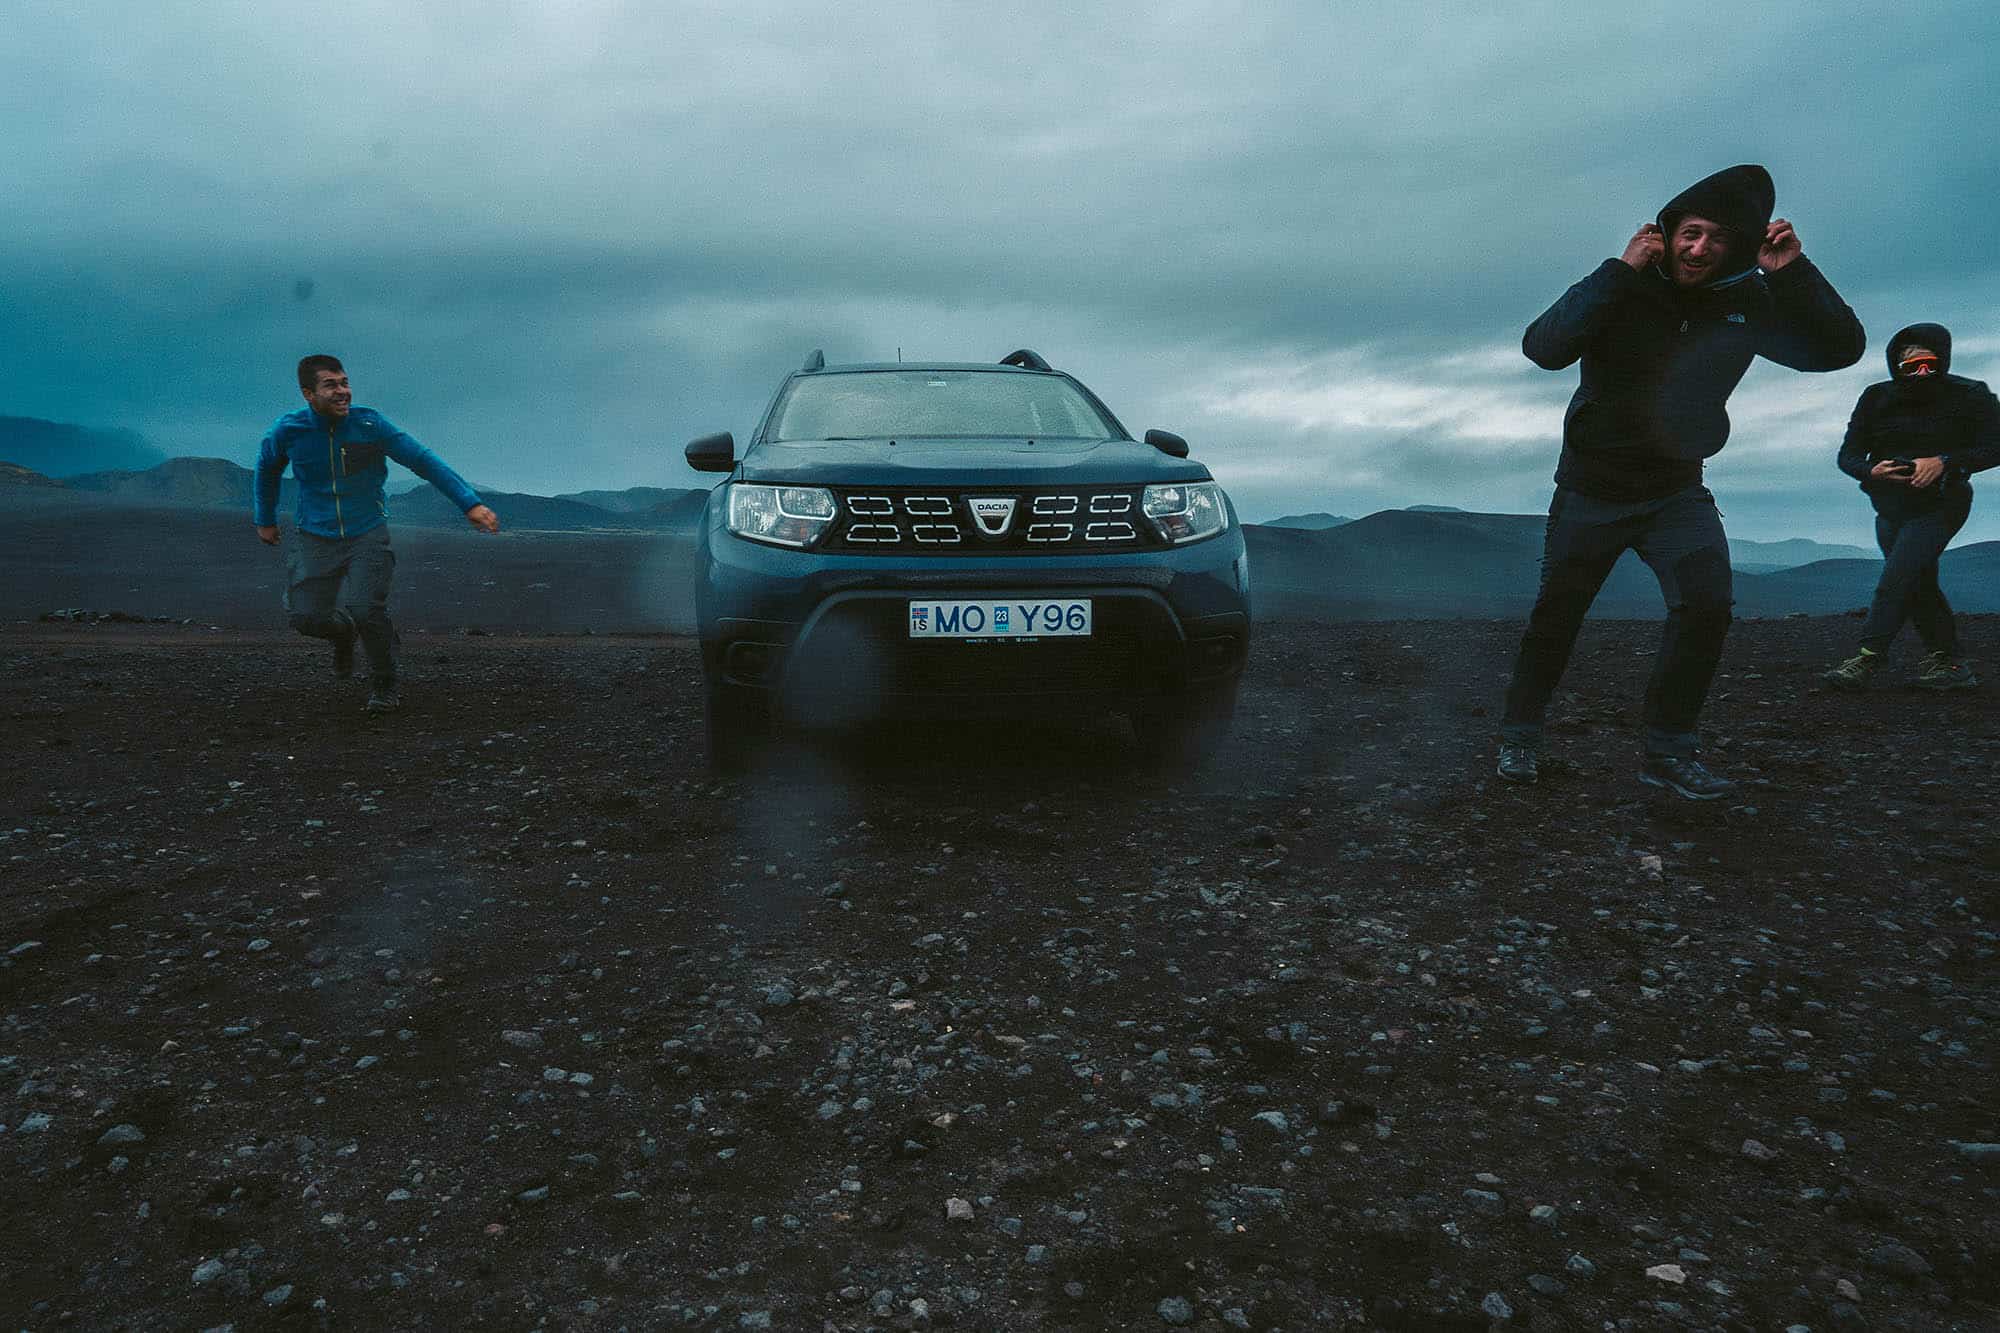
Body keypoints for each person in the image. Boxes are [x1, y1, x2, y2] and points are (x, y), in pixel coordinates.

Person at [1496, 164, 1865, 798]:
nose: (1699, 250)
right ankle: (1520, 738)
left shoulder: (1748, 302)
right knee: (1557, 618)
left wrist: (1794, 271)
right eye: (1689, 233)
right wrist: (1618, 269)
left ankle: (1668, 753)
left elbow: (1838, 349)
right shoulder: (1624, 289)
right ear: (1665, 234)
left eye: (1718, 239)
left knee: (1707, 608)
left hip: (1675, 491)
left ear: (1740, 248)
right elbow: (1543, 348)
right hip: (1591, 490)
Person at [253, 355, 500, 712]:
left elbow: (423, 460)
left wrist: (470, 504)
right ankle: (342, 633)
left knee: (367, 608)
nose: (343, 392)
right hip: (314, 535)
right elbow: (267, 471)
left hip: (366, 532)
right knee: (306, 617)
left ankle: (384, 684)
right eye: (331, 385)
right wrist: (265, 518)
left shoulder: (370, 424)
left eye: (345, 383)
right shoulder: (288, 431)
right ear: (309, 393)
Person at [1822, 322, 1998, 691]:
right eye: (1911, 365)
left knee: (1897, 577)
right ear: (1894, 364)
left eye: (1929, 364)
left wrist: (1945, 462)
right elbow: (1848, 455)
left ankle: (1869, 657)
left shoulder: (1969, 395)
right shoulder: (1876, 397)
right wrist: (1873, 470)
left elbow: (1995, 446)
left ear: (1943, 361)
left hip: (1942, 502)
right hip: (1889, 506)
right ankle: (1951, 665)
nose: (1921, 373)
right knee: (1918, 581)